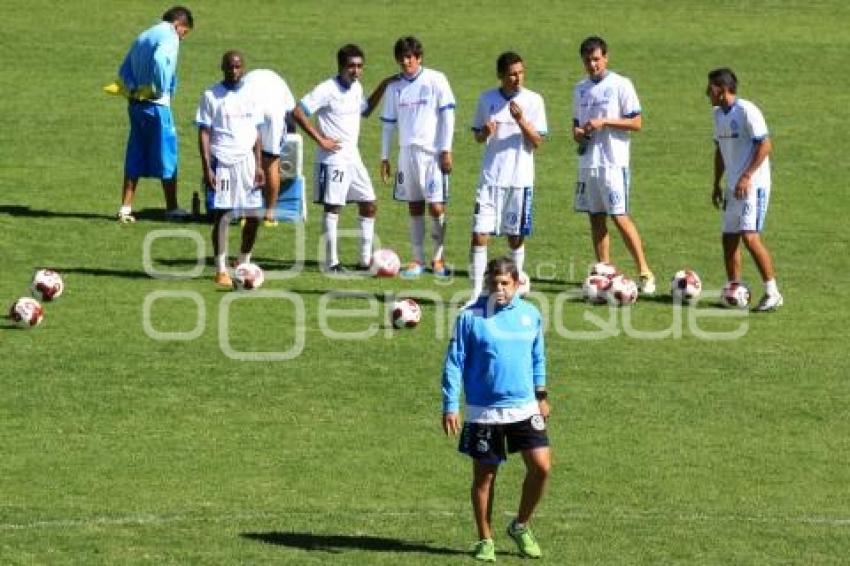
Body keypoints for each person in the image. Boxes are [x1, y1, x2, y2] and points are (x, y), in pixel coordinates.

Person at [442, 258, 551, 561]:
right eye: (494, 283)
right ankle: (484, 539)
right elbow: (454, 363)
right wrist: (451, 405)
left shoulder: (530, 315)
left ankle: (520, 525)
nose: (499, 289)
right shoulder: (469, 317)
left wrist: (541, 395)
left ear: (516, 284)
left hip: (525, 407)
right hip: (484, 412)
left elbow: (537, 357)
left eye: (505, 283)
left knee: (541, 467)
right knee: (485, 477)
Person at [293, 45, 396, 273]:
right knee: (334, 207)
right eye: (351, 66)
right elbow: (298, 111)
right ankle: (331, 263)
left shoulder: (356, 87)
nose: (356, 71)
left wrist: (384, 85)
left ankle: (365, 261)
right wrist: (320, 139)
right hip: (333, 158)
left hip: (353, 156)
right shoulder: (326, 89)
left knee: (369, 204)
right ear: (341, 66)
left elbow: (365, 110)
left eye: (360, 66)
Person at [572, 36, 655, 293]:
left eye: (596, 59)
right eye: (588, 61)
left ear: (606, 58)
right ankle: (604, 271)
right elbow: (575, 126)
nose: (593, 65)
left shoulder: (621, 84)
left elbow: (637, 122)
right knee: (595, 218)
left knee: (619, 216)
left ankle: (645, 271)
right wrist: (578, 132)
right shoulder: (580, 89)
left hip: (613, 162)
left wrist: (604, 121)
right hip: (589, 163)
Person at [468, 52, 547, 303]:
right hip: (490, 179)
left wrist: (521, 120)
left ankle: (512, 292)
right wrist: (484, 131)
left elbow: (537, 142)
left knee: (515, 237)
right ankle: (477, 294)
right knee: (480, 234)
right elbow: (478, 138)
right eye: (512, 74)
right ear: (501, 75)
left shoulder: (534, 101)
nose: (517, 78)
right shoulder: (486, 99)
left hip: (519, 181)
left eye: (521, 72)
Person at [107, 6, 194, 223]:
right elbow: (160, 60)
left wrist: (131, 88)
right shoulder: (169, 36)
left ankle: (125, 207)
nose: (182, 39)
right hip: (157, 105)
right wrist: (159, 87)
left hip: (136, 103)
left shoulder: (144, 35)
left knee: (135, 151)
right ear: (178, 25)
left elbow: (124, 68)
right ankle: (172, 207)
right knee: (167, 154)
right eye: (184, 33)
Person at [707, 68, 783, 311]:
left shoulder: (747, 111)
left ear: (722, 88)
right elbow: (719, 151)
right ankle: (734, 288)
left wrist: (747, 176)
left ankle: (773, 293)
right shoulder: (717, 114)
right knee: (729, 238)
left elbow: (766, 145)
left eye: (711, 87)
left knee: (749, 236)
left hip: (753, 185)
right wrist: (717, 183)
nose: (707, 91)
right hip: (732, 186)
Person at [380, 36, 456, 278]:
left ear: (419, 57)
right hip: (406, 153)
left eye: (410, 57)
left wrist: (446, 149)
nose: (405, 62)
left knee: (435, 206)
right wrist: (384, 157)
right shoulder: (394, 87)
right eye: (401, 58)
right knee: (414, 206)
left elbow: (448, 116)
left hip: (432, 154)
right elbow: (388, 124)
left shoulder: (436, 79)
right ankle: (417, 259)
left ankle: (438, 259)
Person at [195, 51, 265, 287]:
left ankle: (244, 261)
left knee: (254, 216)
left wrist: (259, 164)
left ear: (243, 68)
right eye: (230, 67)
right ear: (222, 67)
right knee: (223, 215)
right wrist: (207, 167)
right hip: (222, 161)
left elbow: (256, 132)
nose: (234, 71)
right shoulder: (211, 96)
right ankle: (221, 269)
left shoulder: (252, 95)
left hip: (247, 162)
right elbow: (204, 132)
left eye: (237, 67)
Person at [242, 69, 296, 227]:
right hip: (274, 115)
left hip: (251, 112)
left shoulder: (248, 79)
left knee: (248, 162)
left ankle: (247, 214)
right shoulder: (279, 81)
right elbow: (291, 113)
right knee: (272, 162)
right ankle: (270, 215)